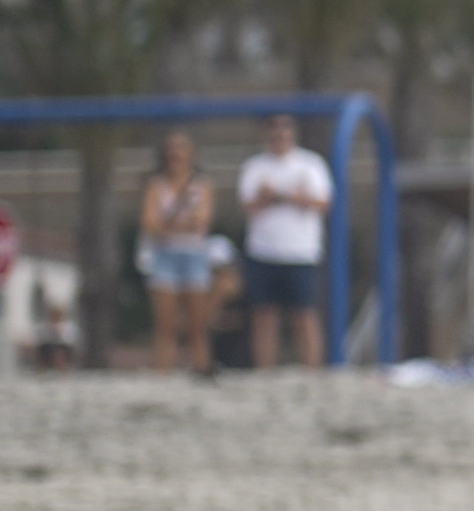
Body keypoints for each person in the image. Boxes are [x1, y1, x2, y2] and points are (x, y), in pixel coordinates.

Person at [232, 112, 335, 371]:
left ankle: (312, 371)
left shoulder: (310, 164)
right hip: (263, 251)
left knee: (304, 315)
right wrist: (285, 196)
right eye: (274, 131)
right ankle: (264, 371)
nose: (279, 136)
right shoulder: (255, 166)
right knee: (263, 315)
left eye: (284, 130)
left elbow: (322, 203)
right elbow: (248, 204)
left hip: (301, 252)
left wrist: (279, 195)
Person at [137, 132, 221, 376]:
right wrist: (177, 225)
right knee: (166, 325)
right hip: (165, 256)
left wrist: (169, 225)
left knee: (197, 324)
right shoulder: (156, 186)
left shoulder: (202, 185)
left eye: (181, 148)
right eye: (171, 148)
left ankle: (201, 368)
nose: (176, 154)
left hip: (193, 254)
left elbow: (202, 221)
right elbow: (149, 223)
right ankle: (164, 372)